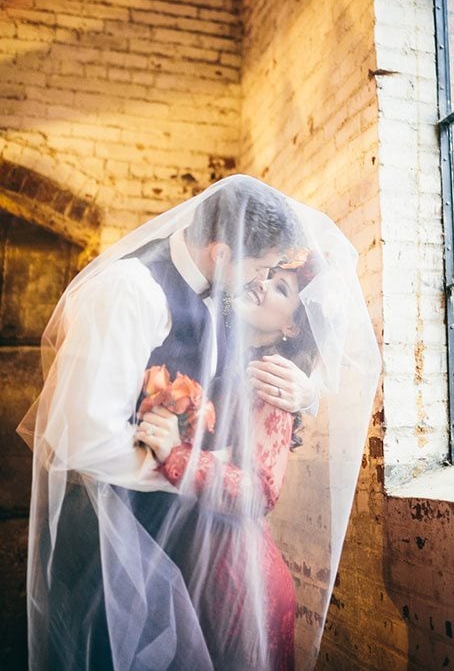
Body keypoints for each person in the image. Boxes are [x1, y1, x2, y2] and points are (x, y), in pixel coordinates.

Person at [19, 175, 380, 670]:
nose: (260, 282)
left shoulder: (225, 299)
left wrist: (309, 393)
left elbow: (271, 355)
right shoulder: (132, 290)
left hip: (191, 553)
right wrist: (182, 466)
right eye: (261, 268)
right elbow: (82, 438)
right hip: (115, 541)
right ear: (223, 254)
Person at [136, 252, 322, 670]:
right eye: (267, 273)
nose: (262, 283)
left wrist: (175, 454)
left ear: (291, 326)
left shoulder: (271, 378)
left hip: (235, 575)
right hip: (189, 558)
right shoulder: (218, 333)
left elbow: (260, 491)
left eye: (280, 288)